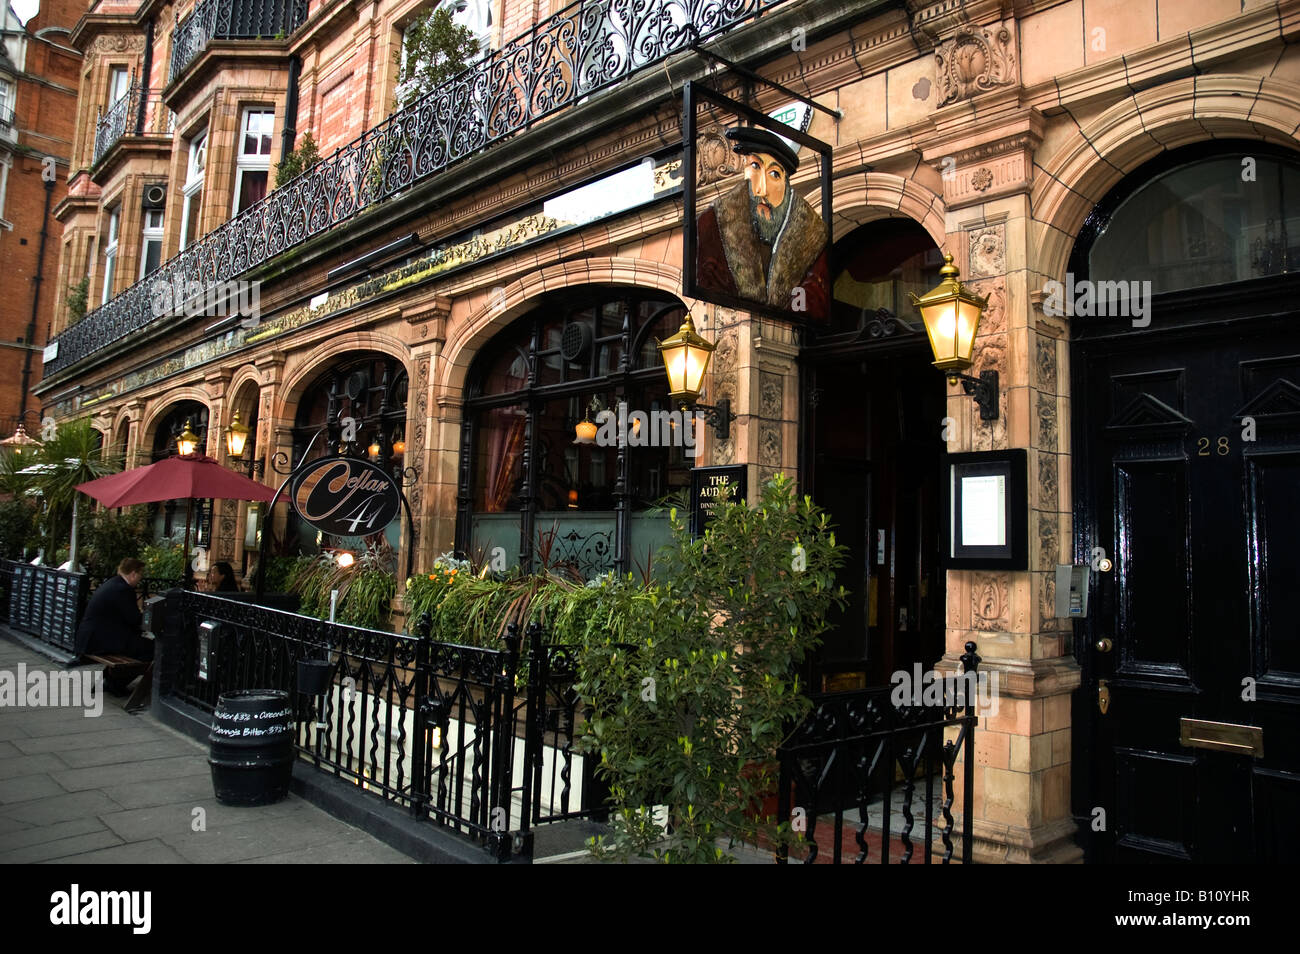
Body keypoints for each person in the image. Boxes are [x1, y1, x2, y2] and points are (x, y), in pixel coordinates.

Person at [694, 126, 829, 316]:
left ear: (786, 185)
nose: (762, 190)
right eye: (755, 167)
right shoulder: (713, 224)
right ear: (744, 171)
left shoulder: (814, 236)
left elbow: (814, 305)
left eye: (775, 174)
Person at [74, 557, 153, 661]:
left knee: (141, 644)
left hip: (90, 638)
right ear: (133, 574)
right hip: (100, 641)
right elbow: (134, 619)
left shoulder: (113, 583)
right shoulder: (124, 589)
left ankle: (113, 676)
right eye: (140, 575)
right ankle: (119, 676)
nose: (140, 579)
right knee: (153, 648)